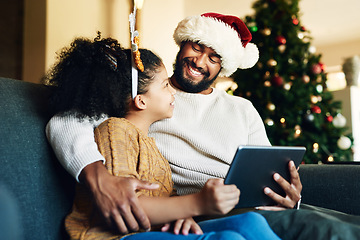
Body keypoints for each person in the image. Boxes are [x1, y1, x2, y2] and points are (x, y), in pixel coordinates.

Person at [46, 13, 360, 239]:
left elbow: (270, 169)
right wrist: (96, 174)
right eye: (197, 47)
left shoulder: (241, 109)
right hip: (203, 212)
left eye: (214, 57)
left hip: (250, 206)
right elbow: (66, 119)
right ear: (182, 45)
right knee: (330, 231)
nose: (200, 61)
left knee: (345, 223)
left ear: (223, 68)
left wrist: (290, 195)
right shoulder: (139, 95)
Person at [44, 34, 280, 240]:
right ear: (141, 100)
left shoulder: (153, 147)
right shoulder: (116, 131)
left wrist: (183, 215)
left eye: (214, 57)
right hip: (116, 235)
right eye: (166, 85)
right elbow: (124, 204)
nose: (199, 61)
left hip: (165, 226)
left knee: (251, 223)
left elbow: (164, 196)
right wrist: (197, 203)